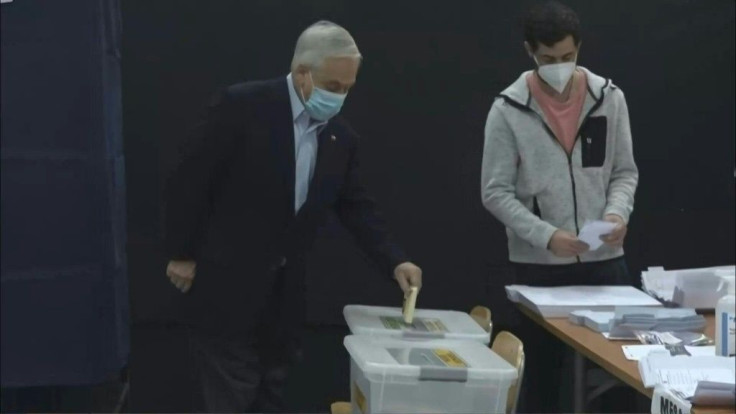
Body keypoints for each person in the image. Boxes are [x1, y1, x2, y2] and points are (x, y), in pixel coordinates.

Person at [164, 20, 422, 413]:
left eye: (348, 89)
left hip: (283, 298)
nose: (340, 98)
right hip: (225, 282)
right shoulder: (242, 106)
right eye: (333, 87)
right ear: (303, 73)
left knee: (271, 390)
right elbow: (191, 179)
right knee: (231, 393)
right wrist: (181, 253)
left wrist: (395, 259)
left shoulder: (340, 137)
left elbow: (355, 205)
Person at [481, 1, 638, 412]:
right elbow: (495, 191)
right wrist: (546, 235)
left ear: (579, 48)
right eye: (548, 59)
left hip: (606, 263)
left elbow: (624, 172)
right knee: (544, 385)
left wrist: (617, 214)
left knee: (619, 380)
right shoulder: (508, 110)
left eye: (568, 57)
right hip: (540, 270)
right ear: (530, 53)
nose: (560, 66)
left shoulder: (609, 98)